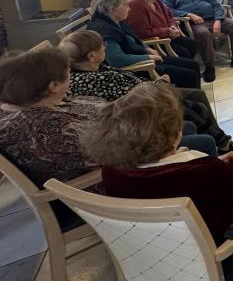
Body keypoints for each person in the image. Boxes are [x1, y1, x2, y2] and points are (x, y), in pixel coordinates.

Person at [82, 83, 233, 245]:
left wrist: (217, 164)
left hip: (165, 244)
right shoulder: (201, 170)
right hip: (225, 244)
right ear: (173, 134)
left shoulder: (111, 170)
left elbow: (177, 181)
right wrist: (221, 167)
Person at [0, 48, 215, 191]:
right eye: (68, 73)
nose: (71, 76)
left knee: (187, 125)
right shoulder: (41, 128)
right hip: (115, 179)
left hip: (122, 141)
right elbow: (103, 157)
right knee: (202, 141)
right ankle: (210, 189)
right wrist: (167, 150)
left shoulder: (41, 100)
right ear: (53, 86)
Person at [61, 30, 230, 152]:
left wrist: (155, 84)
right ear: (91, 56)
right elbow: (130, 100)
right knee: (196, 108)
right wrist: (159, 86)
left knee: (197, 94)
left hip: (149, 92)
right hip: (145, 110)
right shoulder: (96, 80)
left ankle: (220, 140)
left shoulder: (94, 69)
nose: (105, 47)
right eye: (102, 46)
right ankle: (223, 144)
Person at [87, 0, 202, 89]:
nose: (129, 9)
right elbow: (116, 59)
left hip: (142, 57)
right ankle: (186, 103)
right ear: (112, 9)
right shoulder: (104, 30)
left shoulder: (115, 21)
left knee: (194, 65)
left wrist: (146, 48)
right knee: (189, 75)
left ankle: (189, 100)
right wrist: (147, 57)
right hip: (136, 69)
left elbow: (133, 39)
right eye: (125, 5)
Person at [126, 0, 198, 60]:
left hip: (168, 36)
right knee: (184, 52)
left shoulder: (157, 1)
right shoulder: (136, 6)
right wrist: (167, 31)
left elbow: (170, 16)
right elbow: (143, 33)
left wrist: (173, 26)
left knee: (192, 44)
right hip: (155, 42)